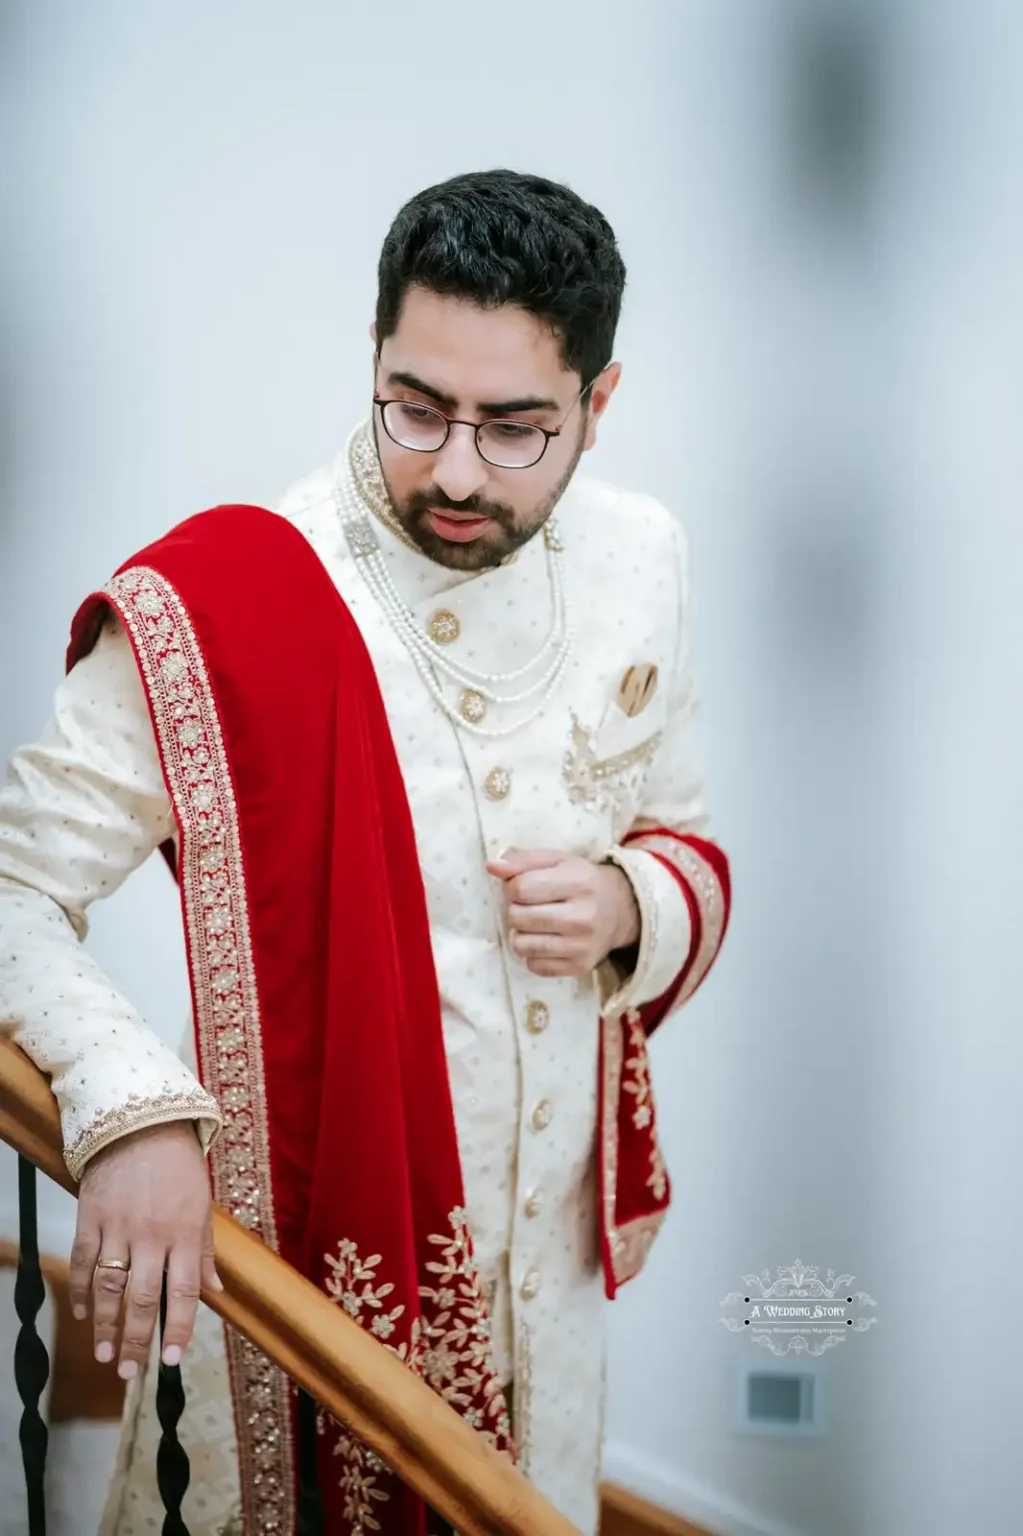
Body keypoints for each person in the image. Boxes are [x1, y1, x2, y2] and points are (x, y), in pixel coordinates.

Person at [0, 169, 730, 1536]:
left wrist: (634, 904)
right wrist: (128, 1108)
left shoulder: (644, 561)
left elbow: (681, 829)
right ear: (375, 357)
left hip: (548, 1291)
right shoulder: (234, 601)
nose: (454, 468)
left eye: (515, 426)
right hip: (290, 1279)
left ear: (599, 402)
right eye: (415, 406)